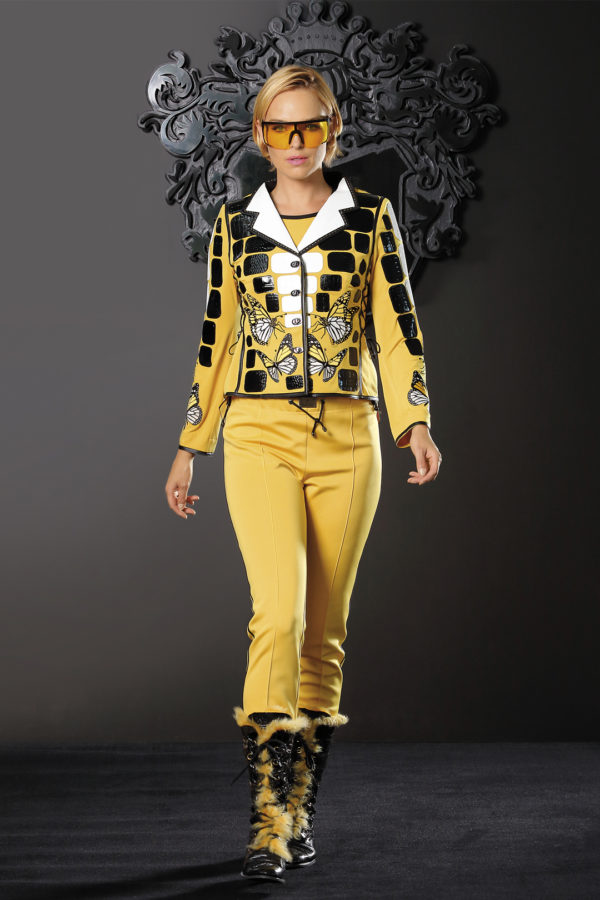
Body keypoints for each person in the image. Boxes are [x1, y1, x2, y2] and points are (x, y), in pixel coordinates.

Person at [164, 64, 442, 884]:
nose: (295, 142)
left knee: (324, 628)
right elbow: (217, 337)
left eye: (310, 126)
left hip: (351, 436)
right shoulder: (234, 226)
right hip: (257, 432)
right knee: (277, 615)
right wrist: (191, 443)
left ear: (332, 132)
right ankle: (267, 820)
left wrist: (415, 421)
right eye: (280, 128)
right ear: (260, 135)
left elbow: (396, 326)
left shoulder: (370, 219)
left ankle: (298, 811)